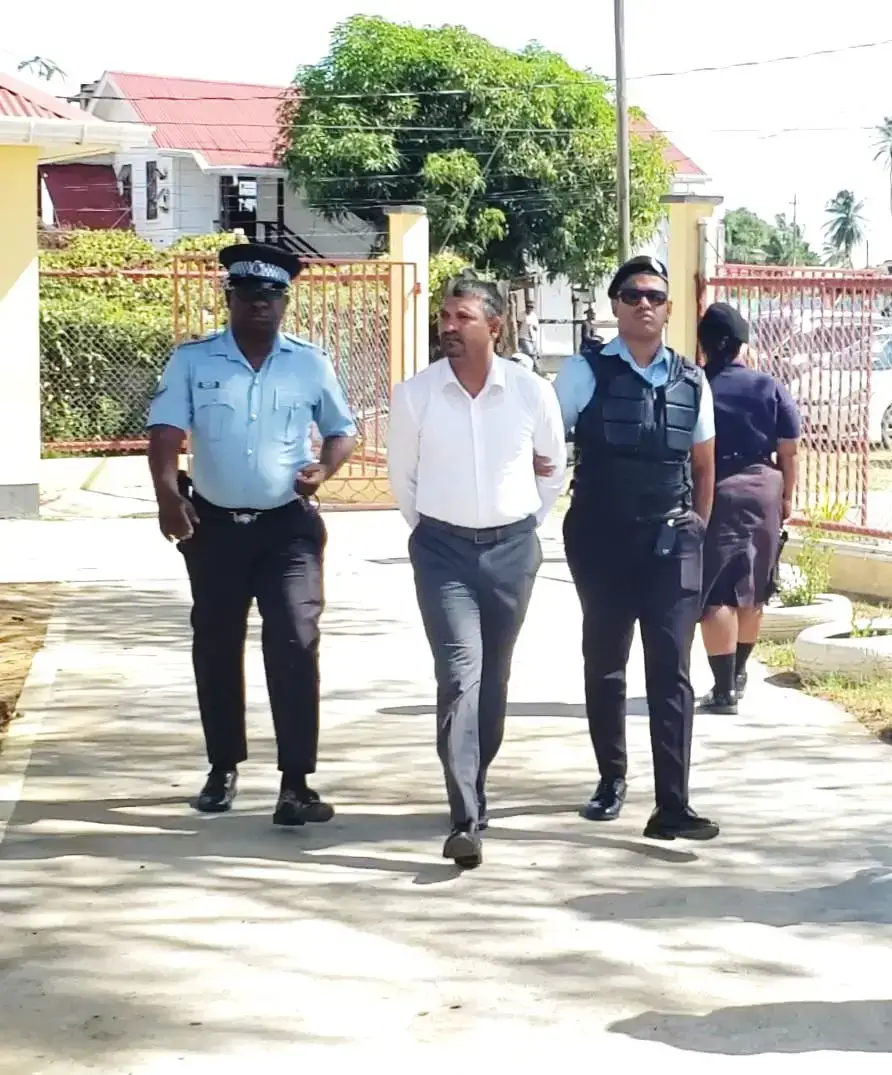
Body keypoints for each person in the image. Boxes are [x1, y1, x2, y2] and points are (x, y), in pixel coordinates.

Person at [146, 243, 357, 825]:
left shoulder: (309, 363)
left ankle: (295, 783)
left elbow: (342, 430)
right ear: (230, 298)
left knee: (294, 640)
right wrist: (168, 498)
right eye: (248, 296)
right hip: (213, 528)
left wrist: (327, 468)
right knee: (215, 646)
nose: (260, 305)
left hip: (287, 528)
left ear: (284, 303)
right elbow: (164, 434)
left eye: (271, 296)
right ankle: (222, 768)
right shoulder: (193, 361)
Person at [388, 278, 567, 868]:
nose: (446, 326)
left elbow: (551, 473)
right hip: (443, 554)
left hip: (512, 551)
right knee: (460, 673)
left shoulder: (529, 392)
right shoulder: (416, 395)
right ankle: (464, 815)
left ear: (493, 326)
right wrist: (441, 529)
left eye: (460, 316)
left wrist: (519, 526)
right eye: (442, 316)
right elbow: (404, 482)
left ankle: (477, 779)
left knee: (495, 678)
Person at [553, 255, 719, 842]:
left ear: (670, 308)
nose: (643, 303)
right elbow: (546, 446)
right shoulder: (583, 372)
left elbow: (704, 465)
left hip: (671, 541)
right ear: (615, 306)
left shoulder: (691, 380)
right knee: (605, 662)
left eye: (653, 296)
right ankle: (611, 779)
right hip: (600, 538)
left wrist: (697, 526)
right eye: (631, 295)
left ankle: (672, 803)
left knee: (671, 669)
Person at [695, 302, 801, 714]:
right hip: (764, 491)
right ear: (741, 345)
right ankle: (738, 674)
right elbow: (789, 450)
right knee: (754, 585)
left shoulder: (694, 384)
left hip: (713, 491)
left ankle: (723, 690)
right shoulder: (768, 386)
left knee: (716, 591)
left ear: (703, 345)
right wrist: (788, 494)